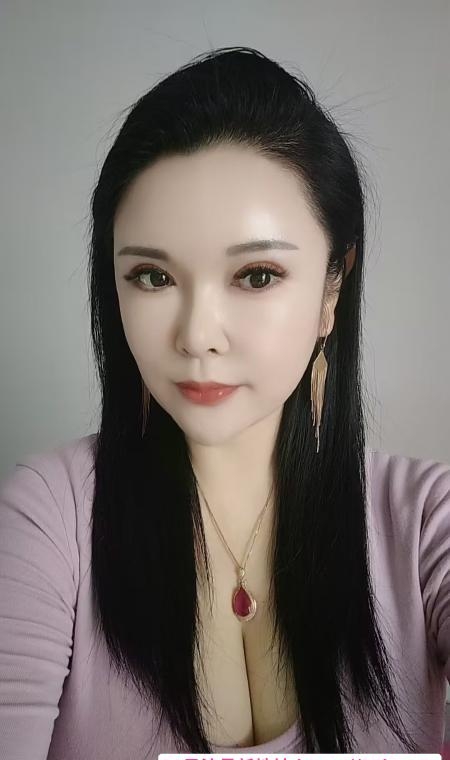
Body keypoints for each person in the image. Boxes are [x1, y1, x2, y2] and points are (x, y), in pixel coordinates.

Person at [0, 46, 449, 759]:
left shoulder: (425, 524)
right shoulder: (49, 524)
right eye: (152, 277)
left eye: (257, 275)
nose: (196, 335)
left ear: (333, 286)